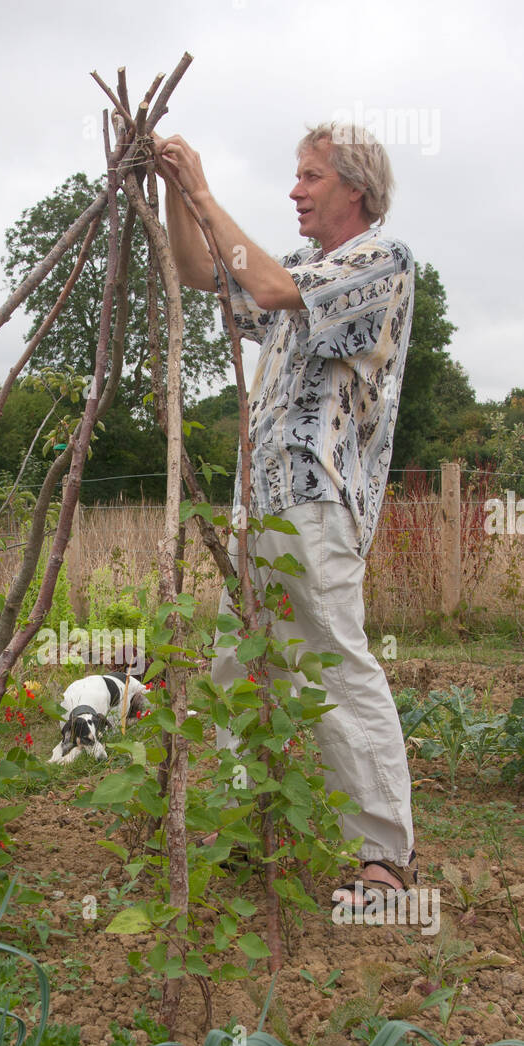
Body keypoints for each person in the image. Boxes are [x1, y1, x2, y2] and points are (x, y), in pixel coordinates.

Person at [152, 122, 417, 910]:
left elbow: (265, 290)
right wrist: (173, 186)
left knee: (334, 660)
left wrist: (203, 190)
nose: (295, 191)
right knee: (238, 665)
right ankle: (245, 826)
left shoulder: (380, 261)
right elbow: (205, 271)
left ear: (354, 189)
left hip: (317, 499)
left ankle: (384, 859)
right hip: (257, 506)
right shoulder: (299, 264)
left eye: (310, 177)